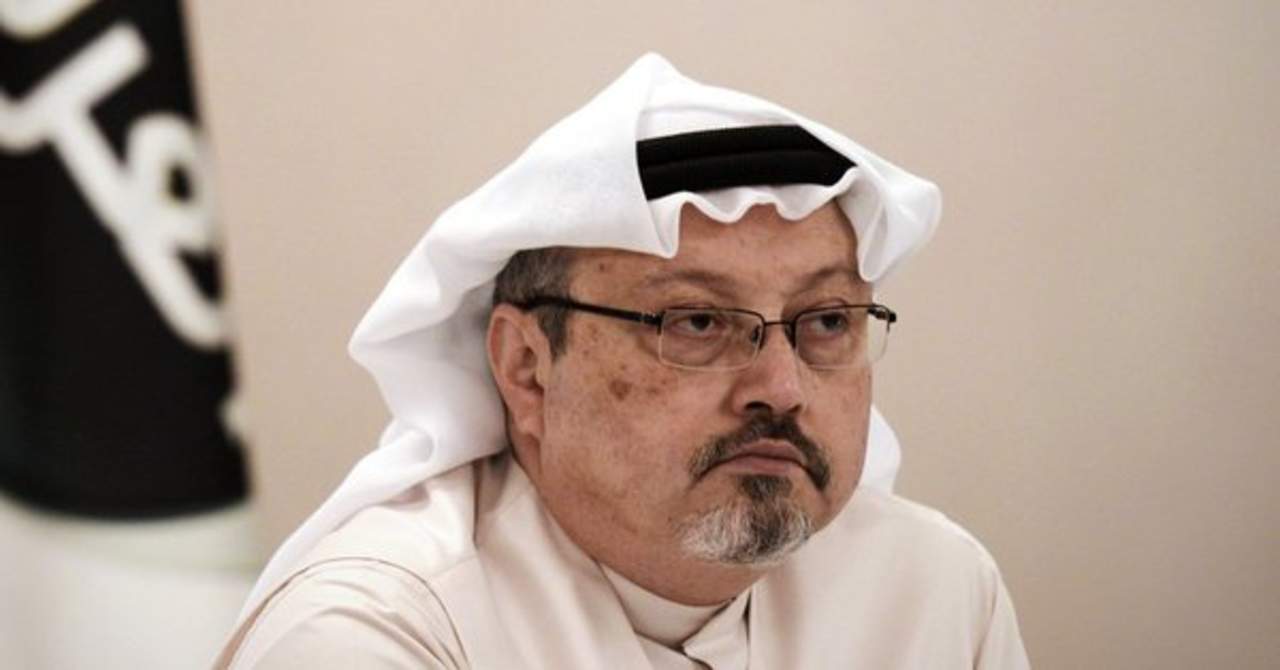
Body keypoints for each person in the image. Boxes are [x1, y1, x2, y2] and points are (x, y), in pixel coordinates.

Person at [216, 54, 1030, 669]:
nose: (781, 388)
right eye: (699, 322)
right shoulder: (376, 635)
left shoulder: (936, 590)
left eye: (824, 322)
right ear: (527, 369)